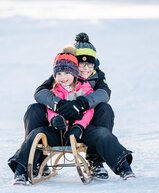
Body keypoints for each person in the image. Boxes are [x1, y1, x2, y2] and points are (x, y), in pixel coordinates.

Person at [24, 32, 114, 180]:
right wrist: (58, 104)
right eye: (79, 64)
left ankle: (95, 160)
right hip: (61, 125)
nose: (84, 69)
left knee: (105, 108)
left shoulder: (97, 75)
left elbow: (104, 94)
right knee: (34, 109)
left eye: (89, 64)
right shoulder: (63, 74)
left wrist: (82, 103)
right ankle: (37, 159)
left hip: (86, 124)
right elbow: (40, 93)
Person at [8, 48, 95, 185]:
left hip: (76, 134)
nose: (62, 76)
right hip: (57, 133)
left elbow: (89, 112)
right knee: (36, 133)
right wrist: (53, 119)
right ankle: (21, 170)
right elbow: (50, 109)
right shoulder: (54, 90)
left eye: (66, 72)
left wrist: (79, 126)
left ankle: (96, 162)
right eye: (58, 73)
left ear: (74, 73)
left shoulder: (84, 89)